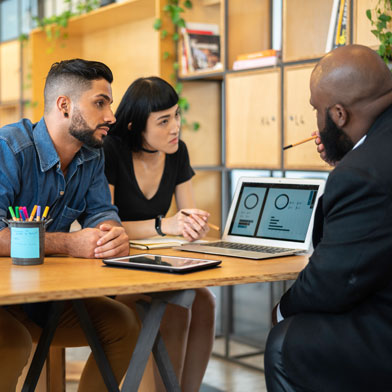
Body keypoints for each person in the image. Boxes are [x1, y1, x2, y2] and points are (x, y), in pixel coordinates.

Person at [0, 59, 139, 390]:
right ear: (64, 105)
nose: (111, 117)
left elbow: (101, 212)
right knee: (13, 342)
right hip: (4, 300)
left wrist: (112, 234)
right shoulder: (9, 148)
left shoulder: (91, 155)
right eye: (100, 103)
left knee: (123, 325)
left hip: (43, 300)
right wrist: (68, 243)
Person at [264, 44, 392, 392]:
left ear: (338, 114)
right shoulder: (371, 156)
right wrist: (349, 157)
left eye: (317, 110)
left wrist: (280, 310)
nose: (316, 122)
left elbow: (333, 282)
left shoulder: (362, 172)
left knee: (286, 340)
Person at [103, 76, 215, 392]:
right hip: (114, 267)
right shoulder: (112, 151)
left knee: (205, 300)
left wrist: (193, 226)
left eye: (176, 115)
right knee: (177, 305)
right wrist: (163, 225)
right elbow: (106, 226)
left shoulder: (178, 152)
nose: (175, 127)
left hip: (157, 262)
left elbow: (186, 216)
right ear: (135, 126)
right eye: (163, 121)